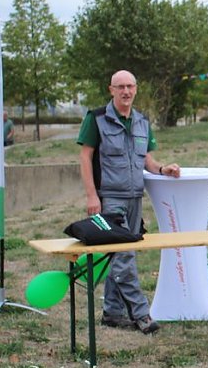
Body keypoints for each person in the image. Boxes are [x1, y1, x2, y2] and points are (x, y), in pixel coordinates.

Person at [77, 70, 181, 334]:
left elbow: (147, 159)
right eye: (120, 87)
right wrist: (92, 195)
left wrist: (162, 169)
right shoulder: (96, 119)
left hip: (136, 196)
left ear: (136, 89)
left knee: (119, 254)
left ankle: (112, 313)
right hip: (110, 198)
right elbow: (85, 157)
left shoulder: (142, 121)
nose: (126, 91)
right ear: (111, 89)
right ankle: (141, 313)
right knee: (123, 256)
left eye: (130, 86)